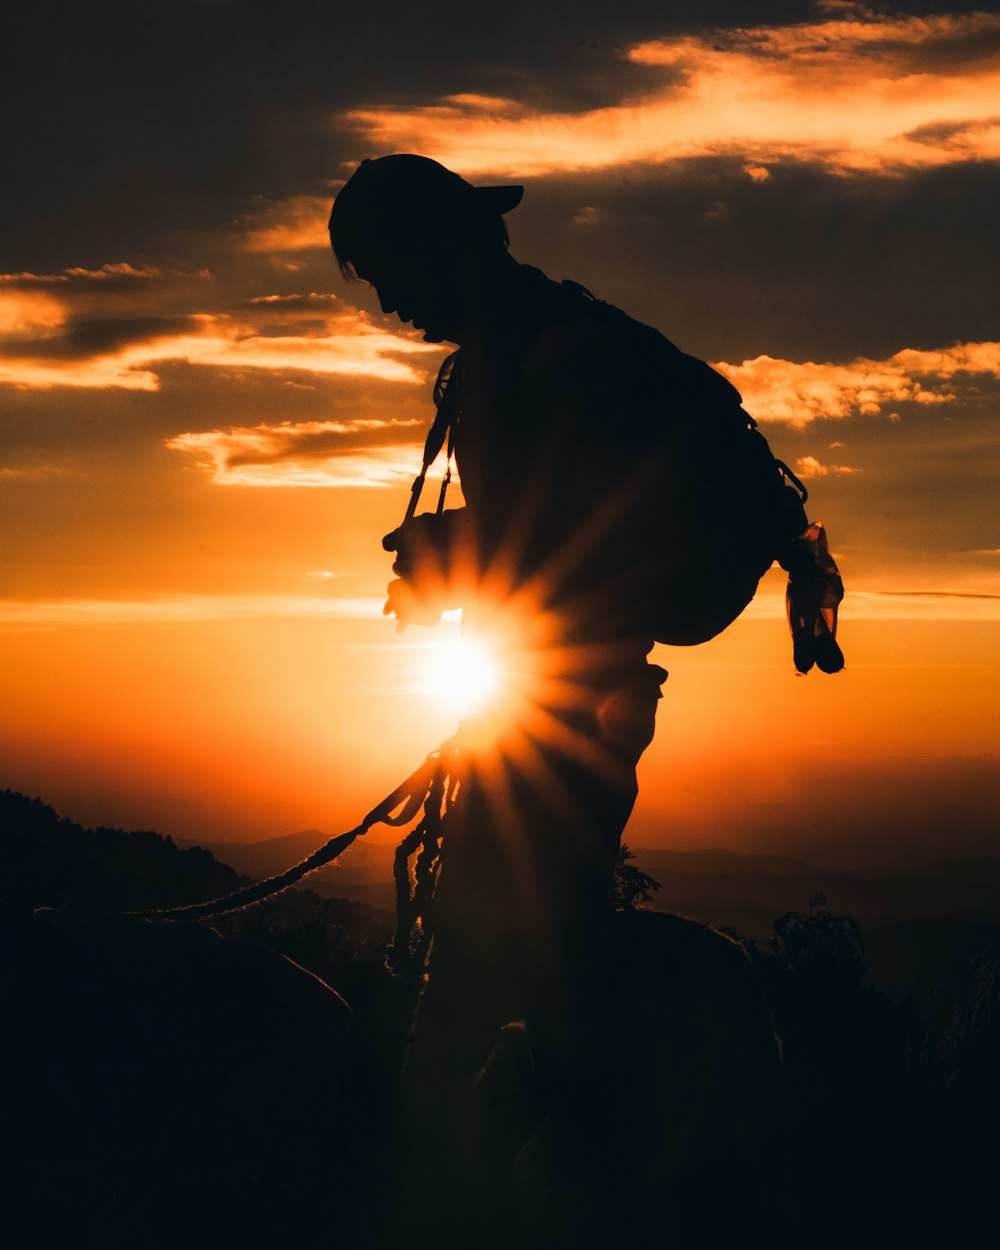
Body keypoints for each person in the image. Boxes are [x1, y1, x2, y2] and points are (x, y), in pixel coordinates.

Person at [328, 154, 795, 1245]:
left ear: (445, 244)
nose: (389, 300)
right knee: (517, 932)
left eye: (389, 269)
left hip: (574, 701)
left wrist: (455, 548)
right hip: (553, 691)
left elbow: (587, 539)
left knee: (524, 947)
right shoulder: (527, 347)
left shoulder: (552, 356)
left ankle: (586, 1178)